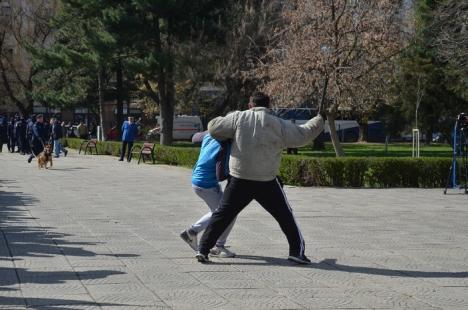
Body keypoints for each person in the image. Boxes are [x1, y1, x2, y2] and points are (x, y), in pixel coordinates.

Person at [195, 92, 324, 264]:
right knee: (285, 216)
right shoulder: (278, 124)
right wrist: (319, 119)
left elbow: (213, 127)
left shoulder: (238, 118)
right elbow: (302, 135)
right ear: (269, 106)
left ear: (250, 105)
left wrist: (231, 119)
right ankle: (296, 252)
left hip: (240, 178)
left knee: (222, 215)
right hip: (266, 180)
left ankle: (203, 250)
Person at [180, 131, 236, 258]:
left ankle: (215, 243)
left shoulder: (211, 134)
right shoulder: (225, 143)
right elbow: (221, 173)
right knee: (226, 213)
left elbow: (195, 137)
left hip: (198, 179)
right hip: (207, 183)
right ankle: (196, 234)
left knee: (224, 212)